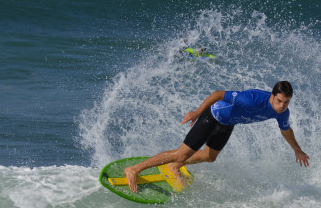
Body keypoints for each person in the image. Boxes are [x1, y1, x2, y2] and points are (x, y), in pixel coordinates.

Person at [124, 81, 310, 193]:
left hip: (227, 123)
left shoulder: (282, 113)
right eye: (279, 101)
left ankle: (174, 166)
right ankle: (135, 169)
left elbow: (286, 130)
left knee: (209, 157)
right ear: (272, 95)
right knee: (182, 153)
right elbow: (218, 94)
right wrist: (197, 112)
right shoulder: (251, 99)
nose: (282, 106)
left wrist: (297, 150)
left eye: (286, 102)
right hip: (212, 117)